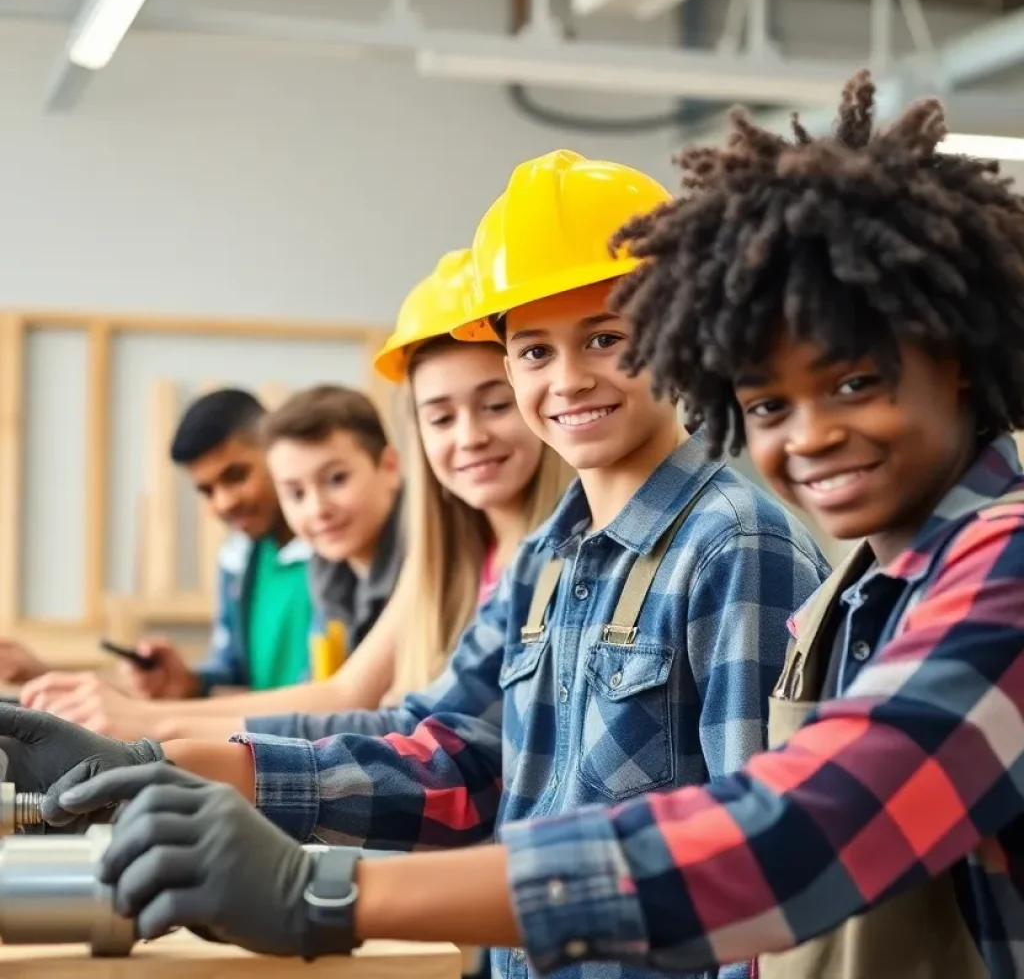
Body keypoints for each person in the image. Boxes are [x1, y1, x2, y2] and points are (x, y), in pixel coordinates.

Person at [37, 70, 1024, 977]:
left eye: (858, 382)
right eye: (767, 404)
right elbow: (458, 754)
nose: (811, 436)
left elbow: (785, 836)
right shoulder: (849, 585)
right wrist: (161, 760)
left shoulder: (968, 565)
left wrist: (328, 892)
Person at [21, 252, 570, 744]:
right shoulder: (439, 558)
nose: (469, 436)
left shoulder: (546, 555)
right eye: (441, 417)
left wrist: (155, 721)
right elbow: (344, 696)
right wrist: (158, 709)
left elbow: (385, 720)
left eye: (495, 406)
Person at [21, 383, 407, 739]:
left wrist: (149, 718)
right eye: (206, 490)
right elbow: (249, 679)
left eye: (236, 476)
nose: (224, 502)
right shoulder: (251, 564)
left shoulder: (349, 553)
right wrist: (188, 686)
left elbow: (342, 696)